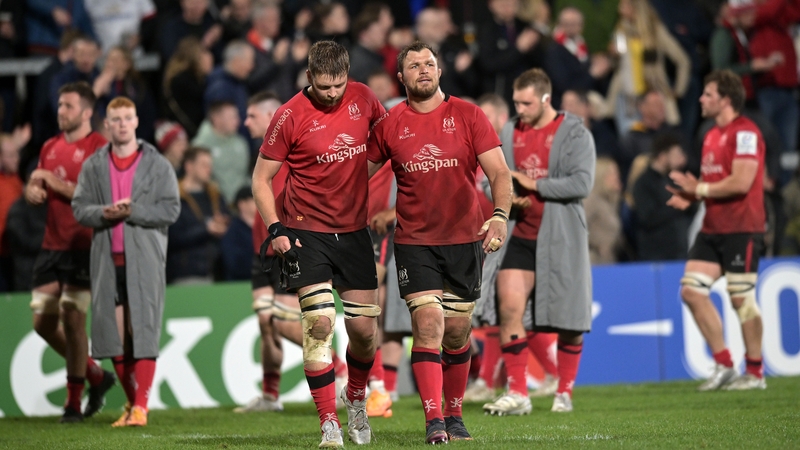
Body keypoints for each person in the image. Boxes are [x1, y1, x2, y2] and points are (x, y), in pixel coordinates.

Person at [367, 41, 513, 444]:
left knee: (457, 331)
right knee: (427, 325)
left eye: (429, 63)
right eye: (414, 65)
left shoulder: (469, 115)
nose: (424, 70)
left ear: (440, 70)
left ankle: (454, 412)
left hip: (466, 238)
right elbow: (355, 174)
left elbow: (500, 174)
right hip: (415, 242)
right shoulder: (391, 123)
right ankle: (434, 421)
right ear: (402, 77)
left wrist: (499, 215)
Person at [251, 41, 385, 448]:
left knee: (363, 332)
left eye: (339, 85)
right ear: (309, 77)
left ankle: (356, 399)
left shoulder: (364, 97)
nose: (333, 93)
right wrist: (275, 229)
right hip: (305, 232)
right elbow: (260, 179)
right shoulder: (288, 115)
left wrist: (362, 175)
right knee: (320, 325)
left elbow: (386, 142)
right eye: (325, 86)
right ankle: (329, 422)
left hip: (355, 232)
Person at [482, 68, 595, 415]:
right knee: (509, 307)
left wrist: (534, 185)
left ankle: (564, 390)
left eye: (526, 102)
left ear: (546, 99)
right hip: (521, 234)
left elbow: (582, 184)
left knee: (570, 321)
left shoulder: (574, 131)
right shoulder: (510, 129)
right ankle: (518, 392)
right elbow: (496, 179)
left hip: (561, 237)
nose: (519, 108)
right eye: (516, 101)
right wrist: (506, 196)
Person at [72, 96, 180, 427]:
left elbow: (170, 209)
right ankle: (135, 406)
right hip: (107, 261)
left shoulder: (157, 164)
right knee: (115, 336)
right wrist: (104, 213)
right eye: (115, 119)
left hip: (144, 260)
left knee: (142, 330)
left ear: (136, 122)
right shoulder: (93, 166)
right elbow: (79, 208)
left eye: (127, 118)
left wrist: (133, 210)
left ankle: (141, 408)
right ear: (106, 125)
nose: (121, 124)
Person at [667, 69, 766, 391]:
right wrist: (692, 195)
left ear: (725, 100)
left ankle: (754, 372)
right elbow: (712, 183)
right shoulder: (710, 134)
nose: (701, 99)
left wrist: (701, 191)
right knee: (691, 292)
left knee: (742, 299)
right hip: (712, 227)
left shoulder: (746, 133)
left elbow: (741, 182)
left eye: (708, 94)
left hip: (742, 228)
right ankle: (724, 364)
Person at [25, 81, 115, 423]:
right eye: (60, 105)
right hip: (52, 245)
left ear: (87, 112)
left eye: (68, 106)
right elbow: (39, 183)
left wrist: (46, 177)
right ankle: (95, 374)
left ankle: (73, 404)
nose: (61, 111)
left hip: (84, 245)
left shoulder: (99, 148)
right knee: (42, 322)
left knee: (73, 319)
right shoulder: (49, 145)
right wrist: (34, 189)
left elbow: (92, 195)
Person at [233, 91, 305, 414]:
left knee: (282, 322)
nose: (245, 122)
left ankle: (341, 372)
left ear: (271, 115)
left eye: (251, 115)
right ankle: (271, 395)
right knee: (265, 322)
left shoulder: (293, 149)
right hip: (260, 251)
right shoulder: (263, 152)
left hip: (286, 249)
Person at [632, 133, 695, 261]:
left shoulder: (673, 180)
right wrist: (677, 205)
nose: (681, 158)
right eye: (676, 154)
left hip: (680, 254)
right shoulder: (643, 183)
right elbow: (647, 218)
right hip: (657, 257)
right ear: (662, 156)